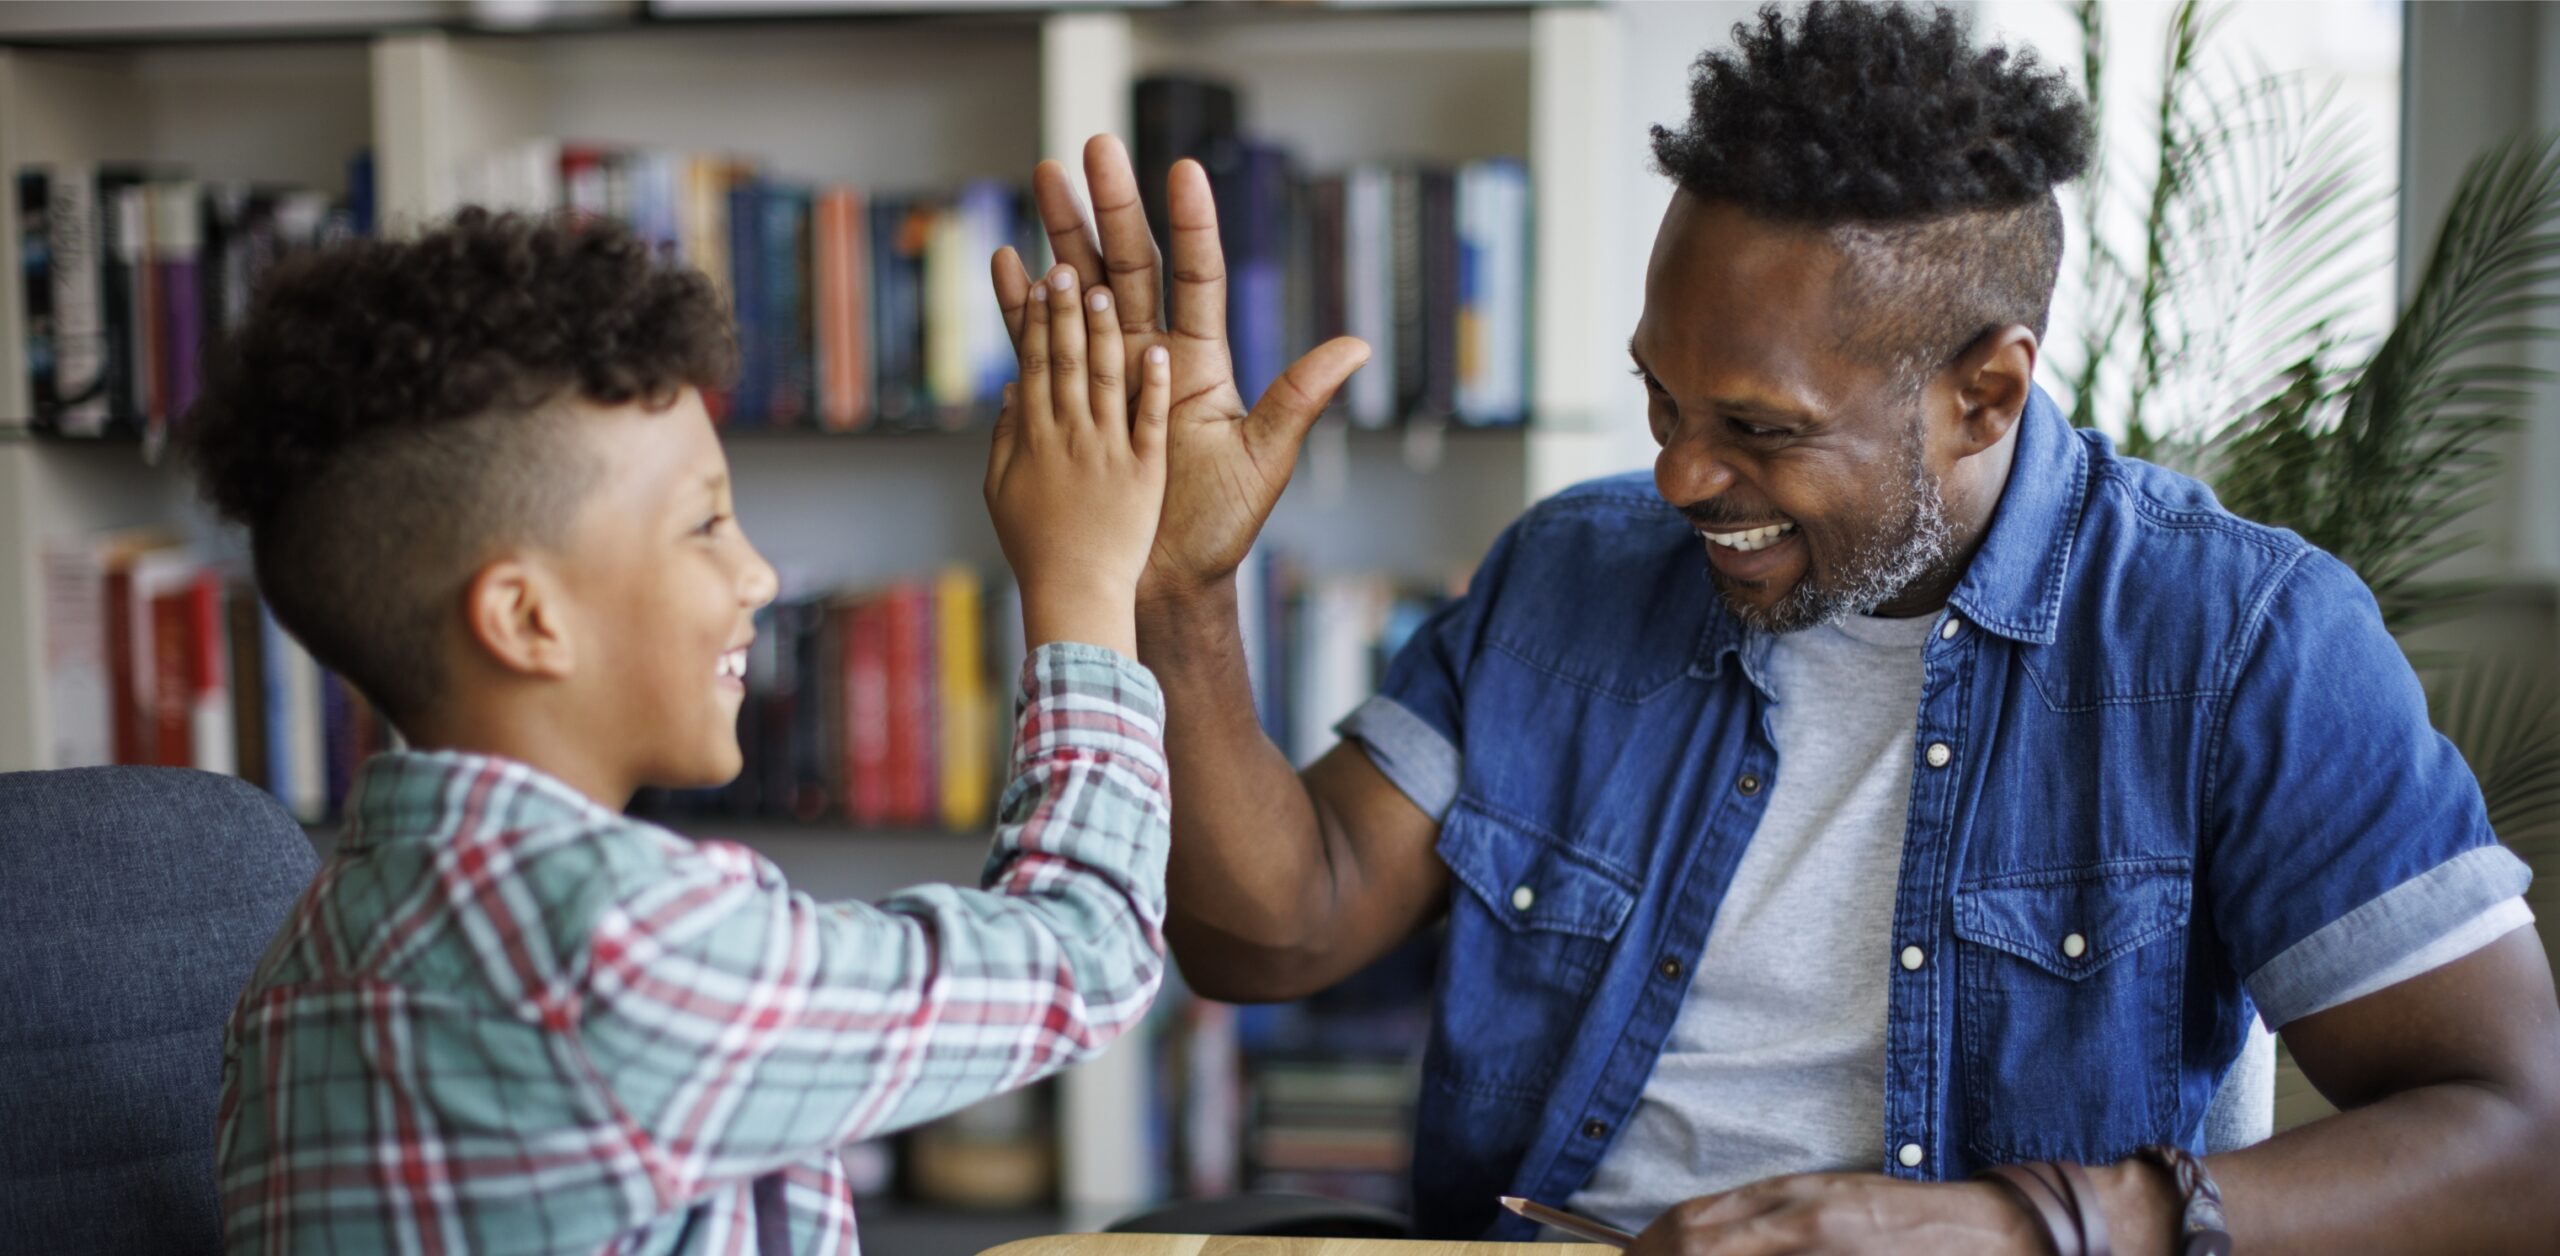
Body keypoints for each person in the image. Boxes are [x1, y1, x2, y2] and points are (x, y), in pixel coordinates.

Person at [990, 4, 2559, 1252]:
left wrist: (2019, 1230)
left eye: (1756, 426)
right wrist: (1177, 593)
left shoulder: (2237, 639)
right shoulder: (1571, 577)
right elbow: (1273, 928)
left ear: (1985, 392)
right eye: (1662, 399)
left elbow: (2517, 1143)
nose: (1680, 475)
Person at [191, 210, 1174, 1253]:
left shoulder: (296, 967)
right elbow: (1088, 942)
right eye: (705, 523)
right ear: (528, 618)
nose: (756, 574)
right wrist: (1084, 580)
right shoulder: (621, 942)